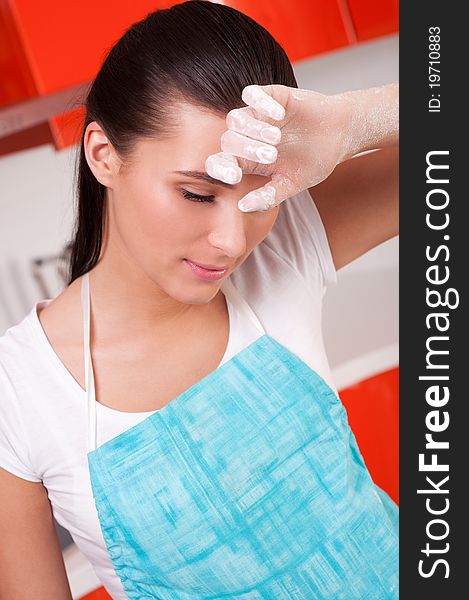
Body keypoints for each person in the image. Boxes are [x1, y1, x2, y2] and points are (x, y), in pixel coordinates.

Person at [0, 1, 398, 598]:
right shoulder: (18, 390)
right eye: (196, 193)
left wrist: (355, 120)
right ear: (103, 155)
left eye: (259, 194)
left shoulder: (287, 243)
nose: (232, 241)